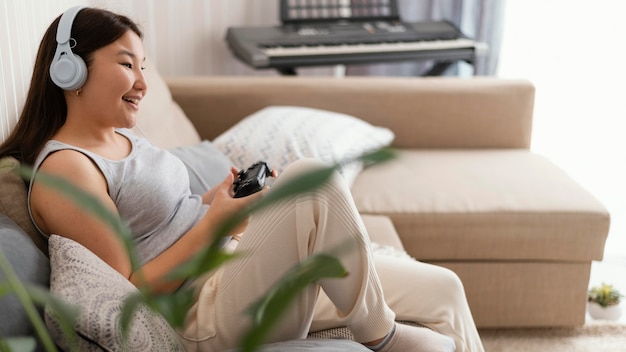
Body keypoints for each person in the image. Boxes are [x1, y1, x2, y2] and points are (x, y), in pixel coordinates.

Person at [0, 6, 484, 352]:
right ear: (68, 72)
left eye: (143, 66)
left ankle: (382, 326)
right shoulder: (67, 169)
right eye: (127, 65)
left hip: (236, 269)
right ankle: (383, 336)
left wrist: (216, 201)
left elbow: (167, 220)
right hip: (200, 314)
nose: (143, 83)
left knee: (444, 289)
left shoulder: (124, 136)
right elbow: (129, 290)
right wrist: (217, 225)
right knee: (311, 178)